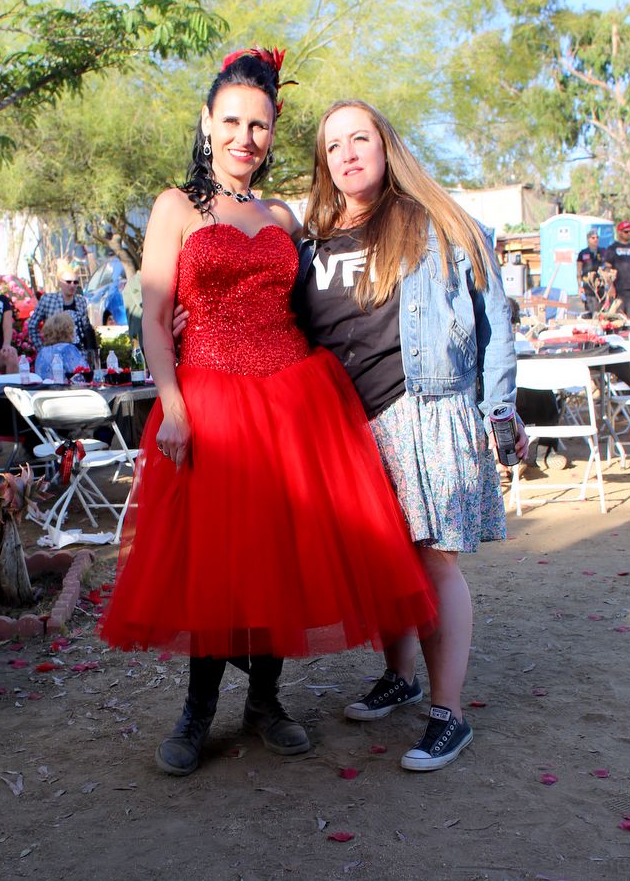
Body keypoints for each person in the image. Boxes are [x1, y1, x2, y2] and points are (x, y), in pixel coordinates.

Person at [98, 50, 438, 778]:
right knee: (214, 561)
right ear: (207, 123)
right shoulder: (174, 207)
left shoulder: (284, 215)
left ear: (272, 131)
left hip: (291, 399)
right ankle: (197, 712)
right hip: (210, 401)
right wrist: (174, 407)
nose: (244, 137)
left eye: (258, 125)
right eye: (231, 122)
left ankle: (265, 702)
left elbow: (315, 302)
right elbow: (153, 318)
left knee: (276, 554)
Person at [293, 100, 529, 772]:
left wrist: (499, 410)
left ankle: (449, 714)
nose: (346, 153)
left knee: (430, 560)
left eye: (359, 138)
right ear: (324, 163)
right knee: (381, 556)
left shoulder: (436, 223)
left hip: (421, 408)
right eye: (333, 145)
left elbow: (493, 318)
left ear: (385, 144)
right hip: (345, 422)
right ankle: (399, 677)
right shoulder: (312, 241)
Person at [27, 262, 95, 355]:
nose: (72, 285)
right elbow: (32, 326)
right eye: (68, 282)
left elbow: (86, 328)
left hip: (79, 353)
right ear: (60, 283)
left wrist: (90, 351)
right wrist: (42, 350)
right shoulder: (48, 299)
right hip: (56, 353)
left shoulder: (81, 301)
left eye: (75, 282)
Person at [604, 221, 630, 319]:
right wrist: (611, 286)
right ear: (619, 232)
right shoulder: (612, 248)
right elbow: (607, 268)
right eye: (626, 231)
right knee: (617, 319)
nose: (629, 233)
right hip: (617, 290)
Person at [34, 313, 84, 380]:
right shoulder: (68, 349)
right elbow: (82, 373)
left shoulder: (42, 352)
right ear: (68, 330)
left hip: (44, 386)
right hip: (64, 386)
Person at [576, 229, 607, 316]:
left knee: (602, 312)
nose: (595, 239)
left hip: (601, 285)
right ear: (588, 239)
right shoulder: (582, 253)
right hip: (588, 286)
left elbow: (608, 267)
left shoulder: (603, 251)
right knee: (591, 310)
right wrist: (579, 286)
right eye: (593, 238)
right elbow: (578, 271)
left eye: (597, 237)